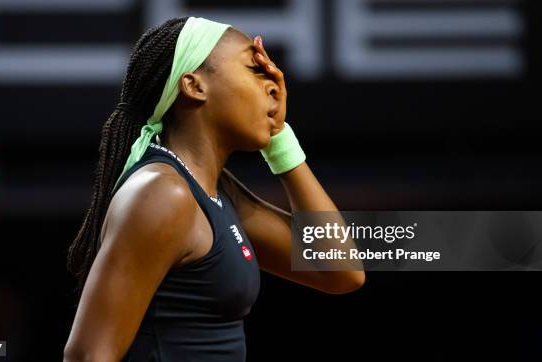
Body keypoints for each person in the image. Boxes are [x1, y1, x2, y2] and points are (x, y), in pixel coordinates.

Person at [63, 16, 365, 362]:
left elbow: (341, 270)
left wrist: (280, 137)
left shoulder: (212, 194)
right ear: (194, 86)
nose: (273, 84)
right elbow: (87, 355)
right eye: (255, 69)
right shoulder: (162, 193)